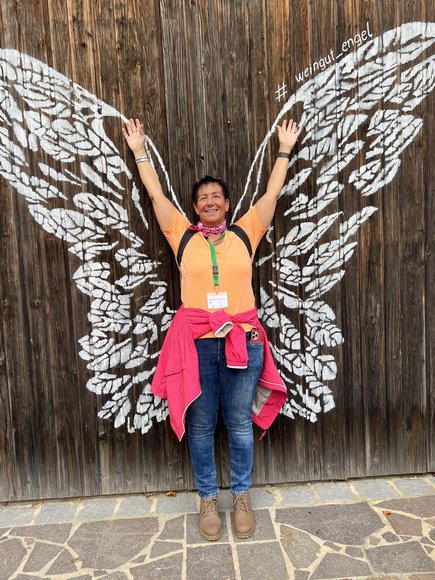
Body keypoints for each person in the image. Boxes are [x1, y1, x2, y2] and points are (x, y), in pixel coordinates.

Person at [122, 118, 302, 541]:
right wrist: (140, 150)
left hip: (243, 340)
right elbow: (156, 195)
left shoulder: (246, 232)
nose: (209, 202)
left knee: (238, 423)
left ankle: (241, 496)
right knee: (201, 425)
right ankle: (207, 499)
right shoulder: (182, 236)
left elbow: (271, 194)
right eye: (202, 198)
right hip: (198, 345)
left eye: (216, 196)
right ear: (194, 206)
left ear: (227, 203)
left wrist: (284, 149)